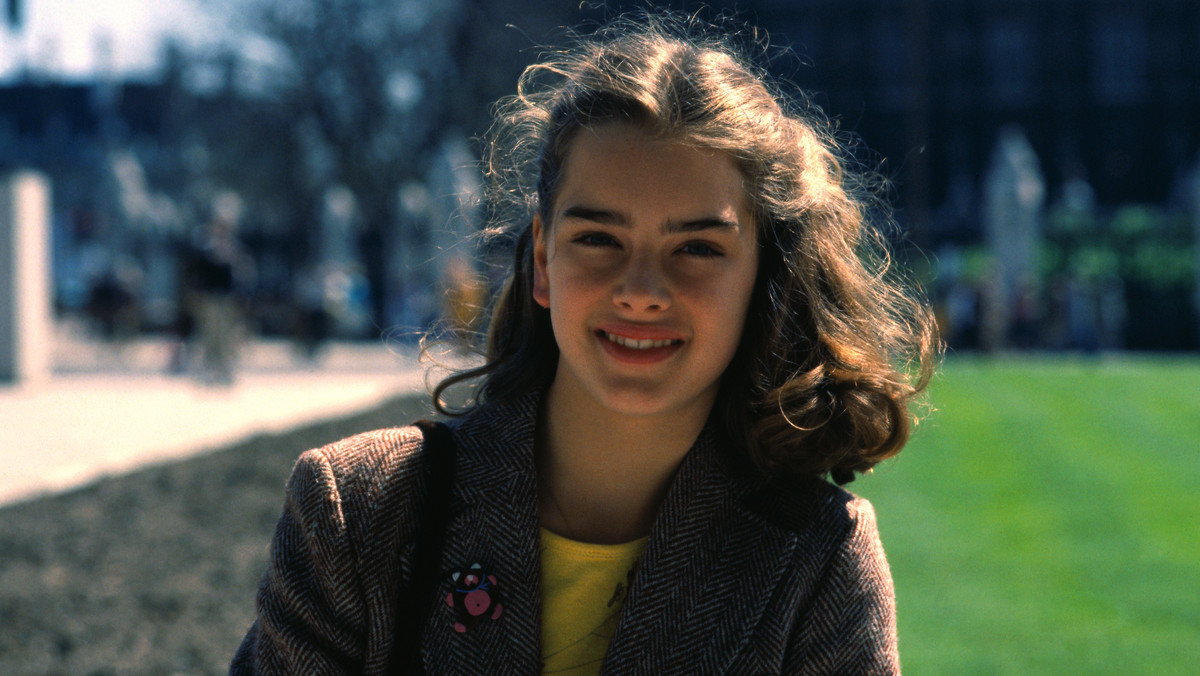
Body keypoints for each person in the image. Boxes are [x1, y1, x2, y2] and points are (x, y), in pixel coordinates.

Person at [232, 12, 938, 675]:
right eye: (598, 238)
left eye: (696, 247)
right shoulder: (359, 511)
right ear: (541, 260)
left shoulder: (817, 557)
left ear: (764, 278)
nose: (640, 289)